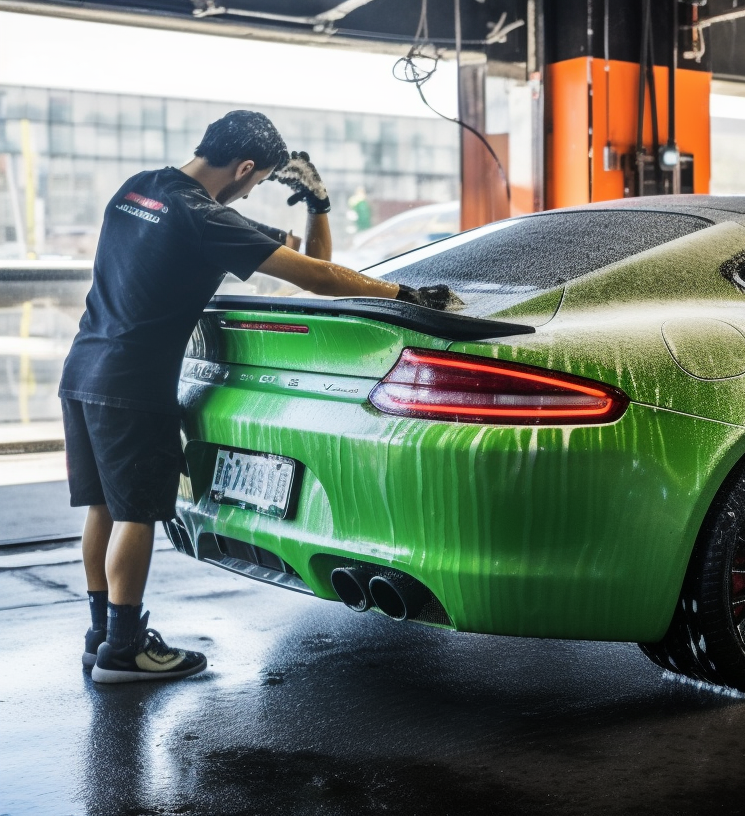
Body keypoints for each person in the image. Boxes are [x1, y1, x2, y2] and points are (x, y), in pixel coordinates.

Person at [59, 110, 456, 684]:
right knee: (136, 515)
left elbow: (305, 259)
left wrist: (313, 214)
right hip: (133, 385)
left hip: (82, 369)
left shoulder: (140, 187)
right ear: (245, 168)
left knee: (102, 507)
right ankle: (125, 650)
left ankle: (101, 635)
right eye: (259, 179)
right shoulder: (207, 221)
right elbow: (318, 278)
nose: (254, 189)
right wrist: (403, 292)